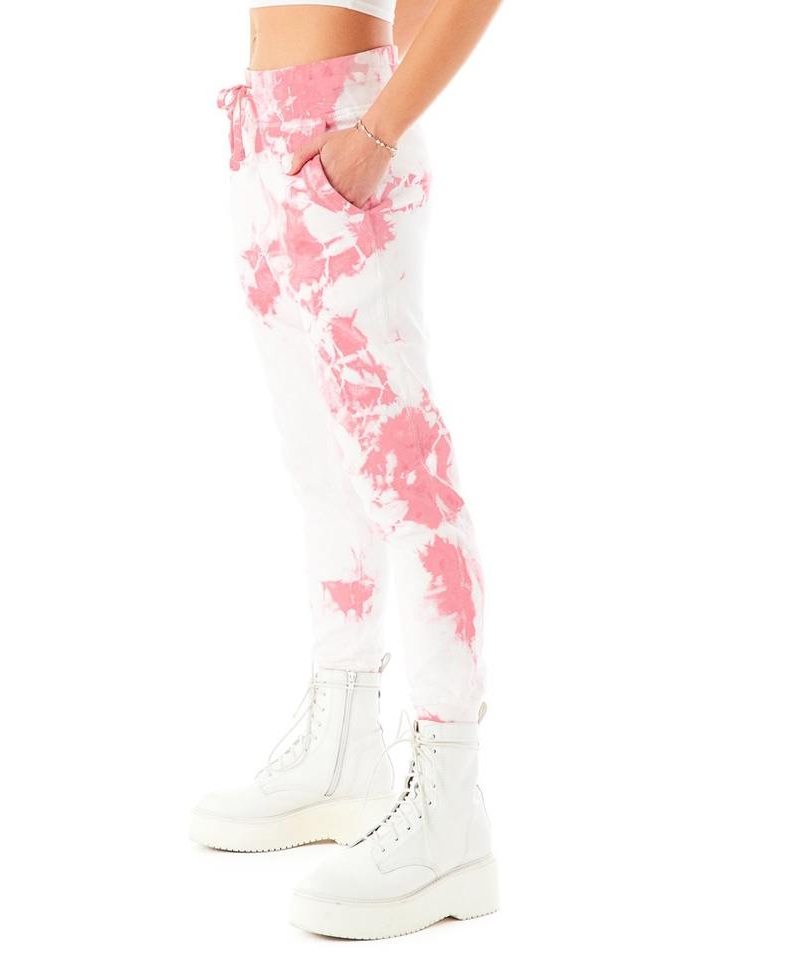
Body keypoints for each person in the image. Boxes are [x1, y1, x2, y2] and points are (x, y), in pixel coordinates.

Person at [191, 0, 503, 939]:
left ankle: (450, 801)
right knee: (321, 473)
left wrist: (374, 130)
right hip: (265, 132)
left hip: (342, 130)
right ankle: (342, 743)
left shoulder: (359, 132)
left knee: (407, 475)